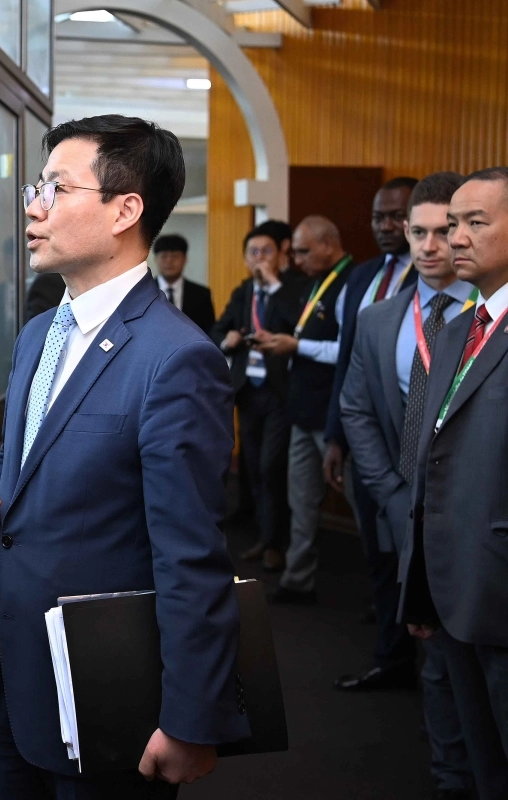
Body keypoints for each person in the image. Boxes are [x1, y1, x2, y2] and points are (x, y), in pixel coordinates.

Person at [0, 114, 249, 799]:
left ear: (125, 211)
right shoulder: (39, 333)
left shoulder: (177, 358)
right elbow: (26, 449)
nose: (34, 207)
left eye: (56, 188)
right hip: (10, 684)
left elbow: (190, 553)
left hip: (106, 693)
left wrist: (192, 718)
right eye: (36, 188)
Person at [340, 172, 474, 797]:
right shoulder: (378, 319)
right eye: (417, 232)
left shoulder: (488, 316)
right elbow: (358, 409)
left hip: (474, 519)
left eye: (443, 231)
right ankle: (450, 773)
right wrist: (393, 494)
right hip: (402, 507)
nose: (428, 246)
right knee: (434, 659)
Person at [400, 167, 508, 800]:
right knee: (482, 762)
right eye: (449, 223)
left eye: (474, 223)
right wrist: (419, 584)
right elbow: (433, 458)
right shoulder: (458, 329)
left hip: (499, 585)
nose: (453, 238)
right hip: (453, 586)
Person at [322, 179, 420, 659]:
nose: (386, 226)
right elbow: (347, 362)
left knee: (416, 556)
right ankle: (390, 656)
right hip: (366, 439)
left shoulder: (437, 277)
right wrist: (335, 436)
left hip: (416, 438)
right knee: (378, 552)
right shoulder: (360, 277)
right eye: (379, 217)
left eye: (397, 217)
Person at [255, 216, 356, 605]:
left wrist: (297, 347)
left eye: (303, 251)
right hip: (302, 408)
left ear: (328, 245)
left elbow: (348, 351)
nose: (296, 260)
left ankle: (392, 591)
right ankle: (298, 579)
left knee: (364, 504)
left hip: (333, 413)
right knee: (301, 499)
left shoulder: (351, 283)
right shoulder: (316, 280)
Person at [212, 226, 300, 572]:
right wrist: (228, 339)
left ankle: (276, 543)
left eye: (267, 251)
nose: (259, 259)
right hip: (248, 391)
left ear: (281, 255)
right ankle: (265, 538)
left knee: (271, 466)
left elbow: (299, 324)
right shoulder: (243, 291)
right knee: (252, 468)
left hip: (280, 392)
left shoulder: (292, 289)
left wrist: (274, 285)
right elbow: (218, 329)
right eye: (253, 253)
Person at [153, 233, 215, 334]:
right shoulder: (143, 291)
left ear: (185, 259)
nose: (169, 261)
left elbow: (209, 332)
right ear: (156, 259)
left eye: (175, 256)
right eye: (164, 256)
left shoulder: (201, 294)